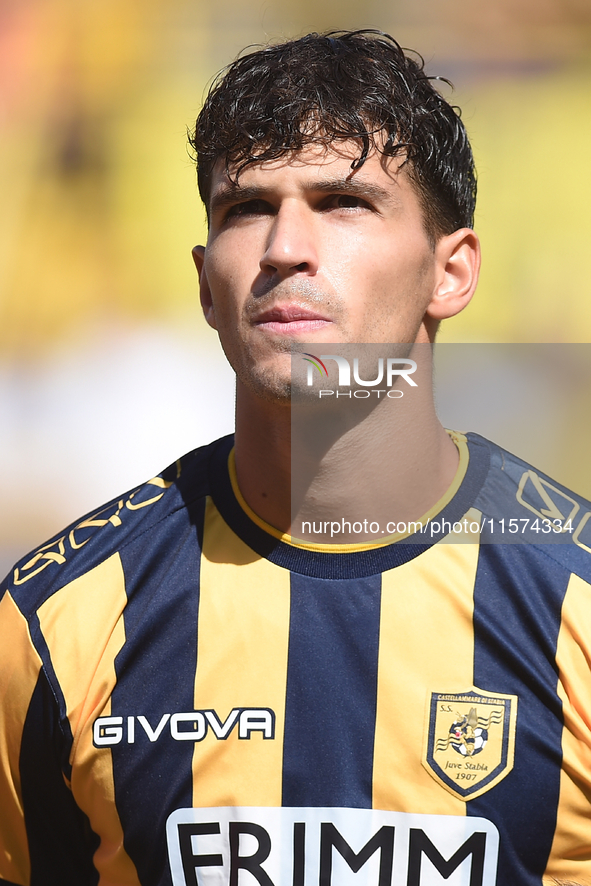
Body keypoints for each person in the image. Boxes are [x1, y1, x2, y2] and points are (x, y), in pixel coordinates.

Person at [0, 29, 590, 886]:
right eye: (246, 208)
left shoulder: (574, 602)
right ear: (206, 283)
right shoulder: (53, 623)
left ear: (450, 273)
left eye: (343, 201)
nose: (284, 249)